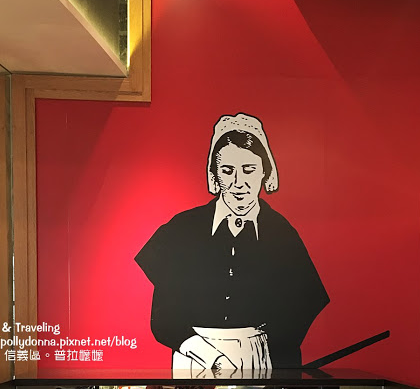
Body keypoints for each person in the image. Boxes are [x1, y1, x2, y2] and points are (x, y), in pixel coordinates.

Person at [135, 113, 329, 373]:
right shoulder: (182, 228)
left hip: (259, 358)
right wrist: (206, 353)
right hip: (193, 357)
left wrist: (266, 350)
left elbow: (307, 302)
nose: (239, 183)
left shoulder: (281, 233)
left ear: (264, 171)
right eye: (227, 171)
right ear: (215, 175)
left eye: (249, 170)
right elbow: (164, 314)